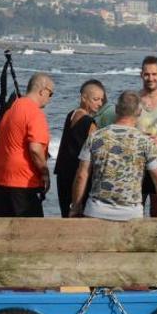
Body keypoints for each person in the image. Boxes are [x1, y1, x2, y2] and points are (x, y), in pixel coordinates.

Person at [69, 91, 157, 220]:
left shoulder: (96, 137)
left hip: (96, 211)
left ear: (116, 109)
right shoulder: (146, 142)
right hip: (131, 214)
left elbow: (82, 175)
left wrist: (75, 207)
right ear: (139, 112)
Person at [0, 72, 54, 217]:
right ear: (42, 90)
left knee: (4, 232)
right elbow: (35, 148)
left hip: (2, 180)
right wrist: (45, 172)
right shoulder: (34, 112)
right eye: (51, 94)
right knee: (31, 234)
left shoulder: (10, 109)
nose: (50, 99)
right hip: (24, 182)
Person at [53, 79, 105, 217]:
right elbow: (98, 151)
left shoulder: (71, 114)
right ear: (83, 98)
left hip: (63, 175)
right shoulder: (89, 123)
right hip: (77, 178)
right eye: (96, 99)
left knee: (66, 215)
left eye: (101, 100)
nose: (100, 103)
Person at [137, 56, 157, 217]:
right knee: (135, 210)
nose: (151, 78)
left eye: (154, 74)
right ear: (141, 74)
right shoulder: (133, 100)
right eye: (147, 74)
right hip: (136, 165)